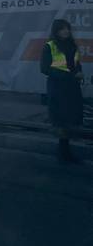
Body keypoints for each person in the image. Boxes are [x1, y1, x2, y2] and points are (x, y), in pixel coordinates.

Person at [40, 19, 84, 163]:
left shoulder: (72, 45)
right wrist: (70, 75)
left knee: (71, 118)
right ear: (56, 31)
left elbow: (76, 63)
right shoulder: (50, 46)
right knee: (62, 120)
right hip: (58, 88)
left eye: (67, 28)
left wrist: (79, 72)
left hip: (72, 88)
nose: (66, 31)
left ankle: (65, 151)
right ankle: (63, 153)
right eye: (62, 29)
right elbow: (45, 68)